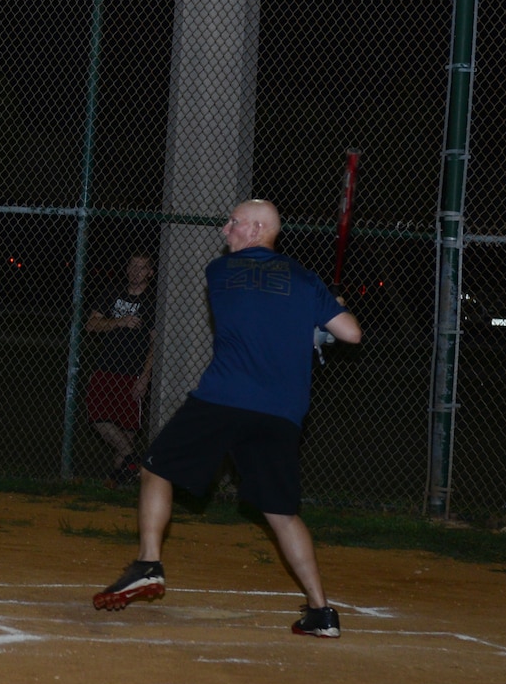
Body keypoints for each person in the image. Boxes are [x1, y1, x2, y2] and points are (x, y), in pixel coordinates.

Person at [94, 199, 362, 637]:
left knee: (155, 469)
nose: (225, 230)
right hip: (281, 413)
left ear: (257, 230)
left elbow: (253, 312)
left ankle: (148, 563)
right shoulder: (305, 280)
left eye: (234, 223)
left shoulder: (220, 272)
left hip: (223, 399)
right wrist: (324, 312)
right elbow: (350, 333)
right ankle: (321, 612)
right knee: (281, 513)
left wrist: (310, 319)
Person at [84, 252, 156, 486]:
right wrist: (120, 321)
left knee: (127, 432)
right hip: (105, 368)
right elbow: (91, 325)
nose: (136, 271)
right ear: (127, 269)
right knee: (97, 418)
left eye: (142, 267)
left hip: (133, 373)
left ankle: (118, 482)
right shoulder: (111, 292)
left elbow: (155, 343)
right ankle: (137, 462)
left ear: (150, 273)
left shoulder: (153, 300)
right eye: (132, 266)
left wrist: (145, 377)